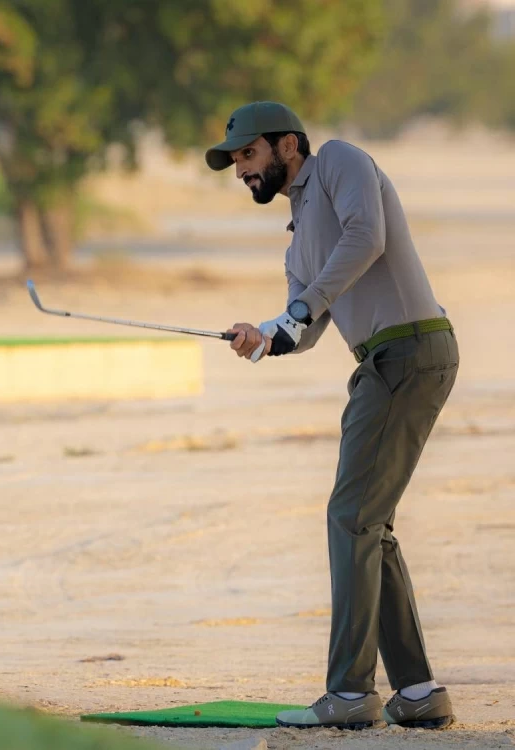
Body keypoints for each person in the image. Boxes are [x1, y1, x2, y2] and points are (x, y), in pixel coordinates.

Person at [204, 102, 458, 730]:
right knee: (369, 523)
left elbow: (367, 238)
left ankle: (349, 693)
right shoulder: (297, 239)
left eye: (248, 153)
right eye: (235, 160)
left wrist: (299, 310)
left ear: (288, 145)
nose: (241, 169)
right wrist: (264, 335)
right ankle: (417, 691)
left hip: (410, 350)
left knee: (351, 517)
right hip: (384, 362)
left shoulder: (340, 162)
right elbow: (307, 326)